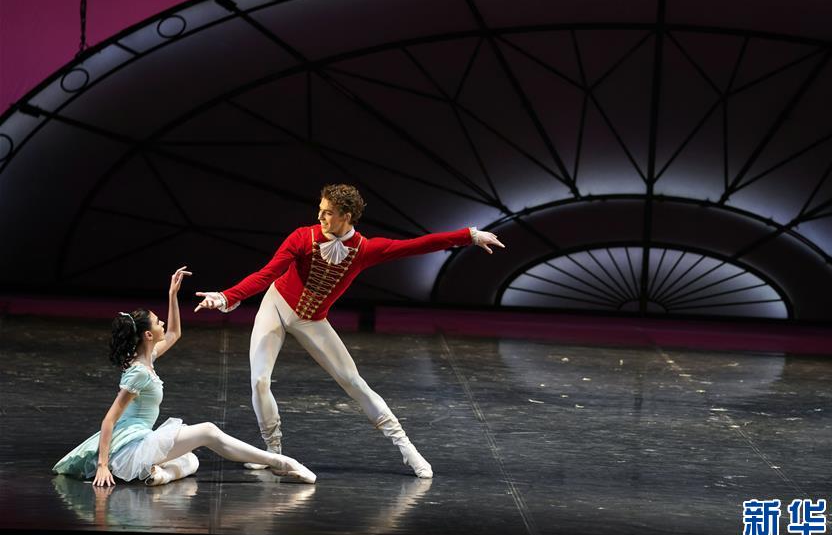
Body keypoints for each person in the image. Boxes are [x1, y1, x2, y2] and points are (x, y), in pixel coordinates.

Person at [194, 184, 505, 478]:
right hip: (276, 305)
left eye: (327, 212)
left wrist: (469, 235)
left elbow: (416, 245)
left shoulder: (364, 249)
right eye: (320, 209)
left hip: (312, 320)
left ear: (346, 215)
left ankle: (407, 449)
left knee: (354, 382)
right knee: (260, 380)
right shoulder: (303, 237)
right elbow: (267, 273)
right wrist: (225, 296)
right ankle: (273, 452)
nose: (320, 216)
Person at [52, 266, 317, 486]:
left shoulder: (147, 357)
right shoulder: (139, 372)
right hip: (132, 447)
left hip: (140, 441)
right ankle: (282, 462)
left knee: (191, 459)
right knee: (208, 431)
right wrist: (102, 465)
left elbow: (174, 334)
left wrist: (173, 295)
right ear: (148, 335)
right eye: (158, 322)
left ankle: (159, 475)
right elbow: (109, 419)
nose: (162, 324)